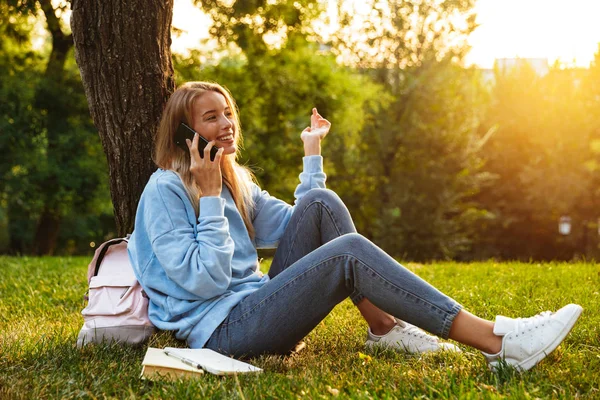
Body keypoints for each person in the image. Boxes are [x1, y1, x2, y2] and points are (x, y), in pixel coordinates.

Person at [128, 81, 582, 371]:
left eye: (227, 112)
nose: (227, 124)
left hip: (254, 307)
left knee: (323, 202)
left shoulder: (232, 180)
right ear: (185, 135)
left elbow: (302, 223)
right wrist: (208, 201)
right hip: (223, 335)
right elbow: (202, 282)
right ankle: (496, 342)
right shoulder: (164, 192)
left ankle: (383, 328)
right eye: (211, 118)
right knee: (347, 252)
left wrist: (311, 155)